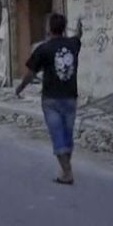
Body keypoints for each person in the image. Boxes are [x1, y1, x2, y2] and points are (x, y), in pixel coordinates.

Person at [16, 13, 82, 185]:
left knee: (57, 135)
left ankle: (67, 172)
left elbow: (31, 73)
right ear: (64, 27)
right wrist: (79, 27)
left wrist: (20, 88)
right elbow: (78, 37)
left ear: (48, 28)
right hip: (70, 97)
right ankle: (65, 170)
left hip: (51, 99)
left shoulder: (43, 49)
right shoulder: (73, 45)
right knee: (67, 136)